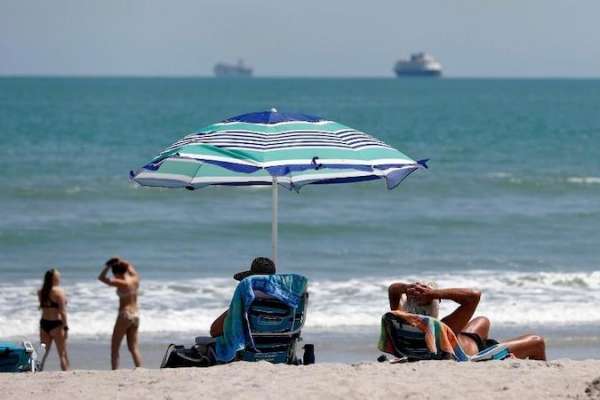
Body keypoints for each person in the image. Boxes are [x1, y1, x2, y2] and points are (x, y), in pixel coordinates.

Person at [388, 281, 547, 360]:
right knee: (538, 341)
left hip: (463, 339)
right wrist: (434, 293)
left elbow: (393, 289)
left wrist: (408, 288)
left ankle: (476, 340)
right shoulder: (440, 329)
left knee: (482, 320)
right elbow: (473, 296)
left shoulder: (400, 323)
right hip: (479, 354)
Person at [209, 257, 276, 337]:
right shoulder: (289, 305)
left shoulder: (246, 305)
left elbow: (214, 331)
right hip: (280, 346)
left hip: (249, 346)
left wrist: (235, 307)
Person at [98, 257, 143, 369]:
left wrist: (108, 266)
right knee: (133, 348)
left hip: (125, 315)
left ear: (116, 273)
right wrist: (120, 260)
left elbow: (101, 278)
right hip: (136, 315)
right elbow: (129, 266)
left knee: (115, 348)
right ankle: (140, 369)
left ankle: (114, 372)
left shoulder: (122, 283)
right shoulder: (135, 278)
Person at [38, 268, 70, 371]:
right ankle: (67, 374)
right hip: (56, 324)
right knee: (62, 354)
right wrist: (66, 328)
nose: (60, 278)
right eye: (58, 276)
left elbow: (43, 306)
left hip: (44, 324)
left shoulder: (41, 291)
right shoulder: (59, 292)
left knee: (42, 353)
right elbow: (63, 312)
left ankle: (36, 372)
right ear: (54, 279)